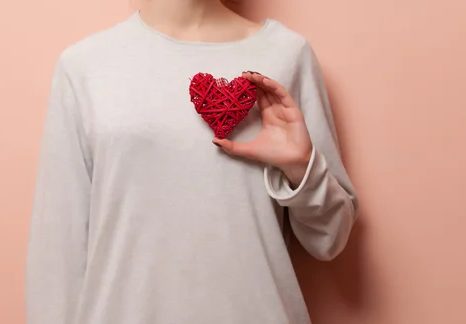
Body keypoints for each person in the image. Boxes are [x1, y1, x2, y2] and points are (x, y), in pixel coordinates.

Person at [26, 0, 358, 323]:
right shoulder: (84, 66)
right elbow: (58, 254)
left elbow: (329, 239)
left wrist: (301, 168)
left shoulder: (287, 54)